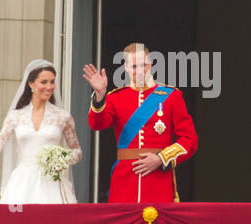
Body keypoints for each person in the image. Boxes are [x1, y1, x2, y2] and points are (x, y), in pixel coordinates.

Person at [83, 42, 198, 203]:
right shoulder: (115, 98)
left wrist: (161, 158)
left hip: (158, 180)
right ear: (126, 68)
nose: (140, 71)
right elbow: (97, 124)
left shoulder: (171, 96)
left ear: (150, 64)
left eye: (143, 65)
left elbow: (189, 140)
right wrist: (100, 96)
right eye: (134, 66)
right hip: (124, 182)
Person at [0, 59, 83, 204]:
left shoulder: (63, 116)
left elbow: (77, 152)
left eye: (52, 82)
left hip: (53, 183)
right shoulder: (16, 116)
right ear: (31, 84)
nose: (49, 87)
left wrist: (61, 159)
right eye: (44, 82)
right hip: (22, 183)